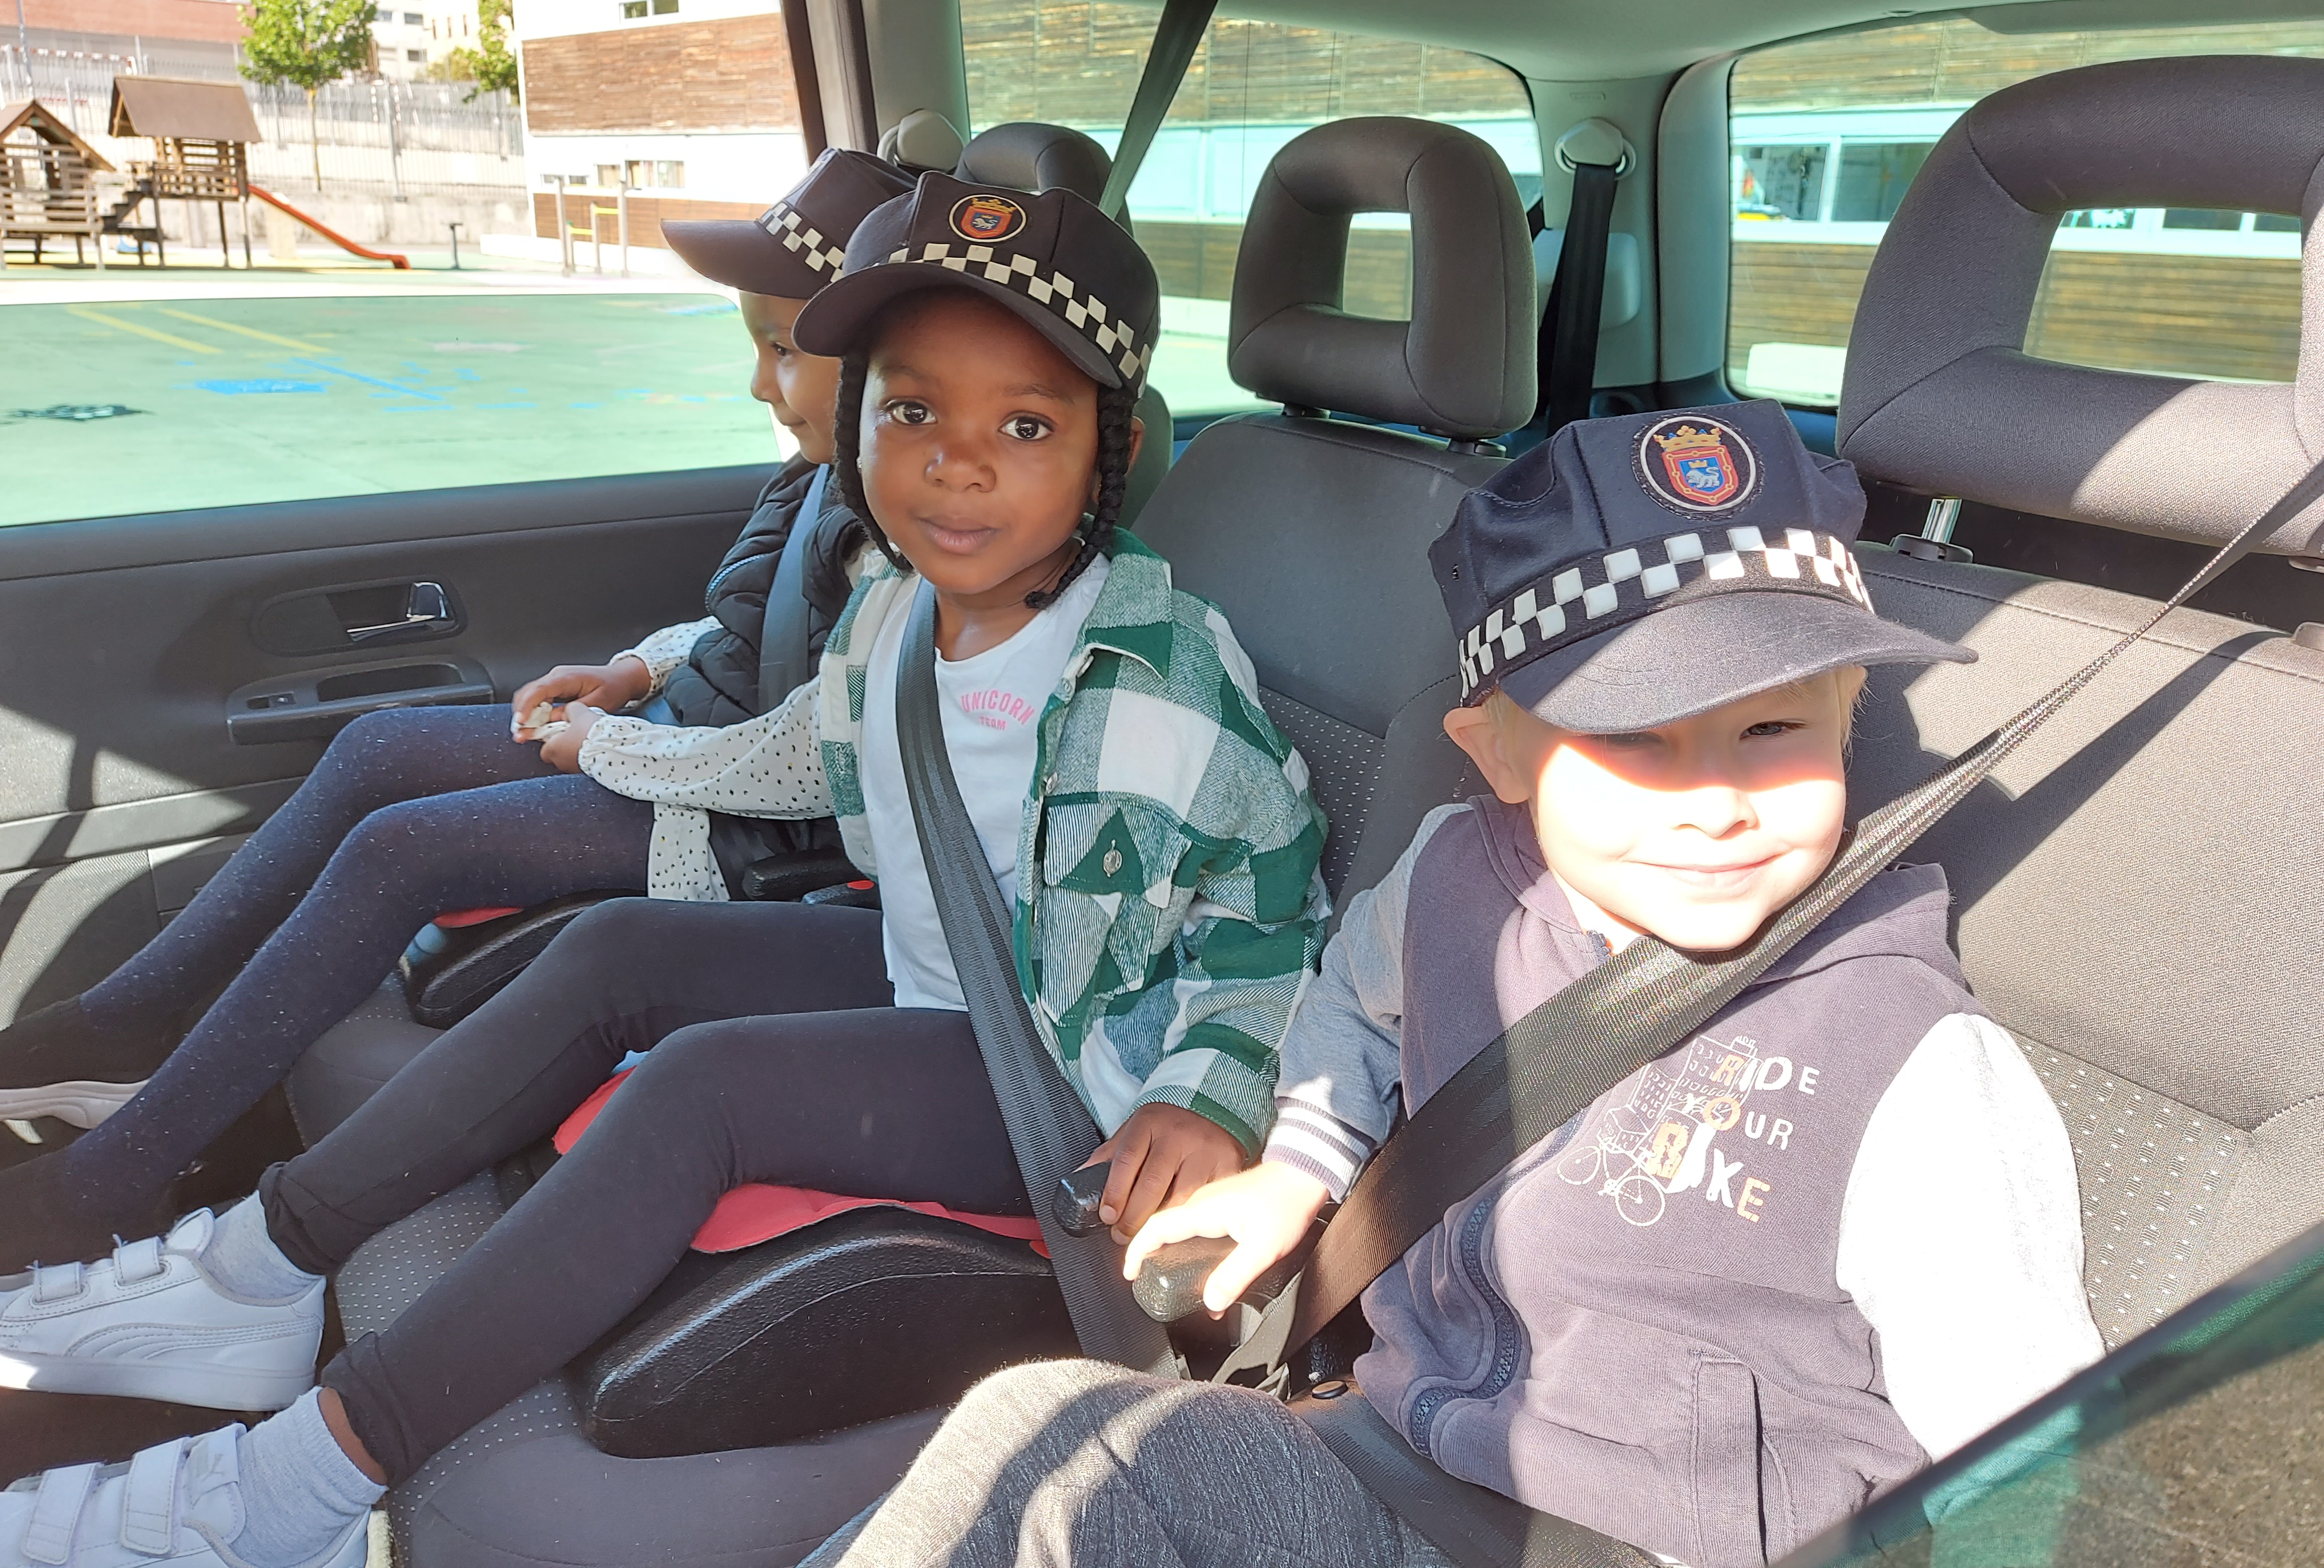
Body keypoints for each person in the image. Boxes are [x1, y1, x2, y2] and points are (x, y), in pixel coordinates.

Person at [0, 174, 1330, 1568]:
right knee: (620, 951)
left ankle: (286, 1489)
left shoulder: (1154, 670)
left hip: (1066, 1076)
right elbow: (803, 757)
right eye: (912, 412)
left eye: (1027, 426)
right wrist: (627, 734)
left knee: (709, 1086)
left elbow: (1275, 898)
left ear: (1111, 452)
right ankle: (257, 1270)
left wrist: (1208, 1089)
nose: (958, 463)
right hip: (939, 976)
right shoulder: (893, 611)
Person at [791, 404, 2107, 1568]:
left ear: (1849, 713)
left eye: (1774, 727)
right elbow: (1355, 1012)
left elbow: (2024, 1433)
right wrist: (1296, 1173)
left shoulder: (1898, 1048)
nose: (1716, 801)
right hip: (1402, 1452)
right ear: (1499, 753)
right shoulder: (1449, 880)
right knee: (1043, 1439)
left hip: (1655, 1541)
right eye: (1635, 738)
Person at [0, 148, 914, 1270]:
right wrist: (633, 671)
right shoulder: (826, 475)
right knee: (376, 747)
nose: (759, 386)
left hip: (750, 828)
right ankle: (125, 1026)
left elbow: (818, 752)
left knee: (402, 849)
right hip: (687, 748)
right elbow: (760, 629)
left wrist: (616, 747)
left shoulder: (905, 525)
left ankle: (108, 1184)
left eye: (784, 352)